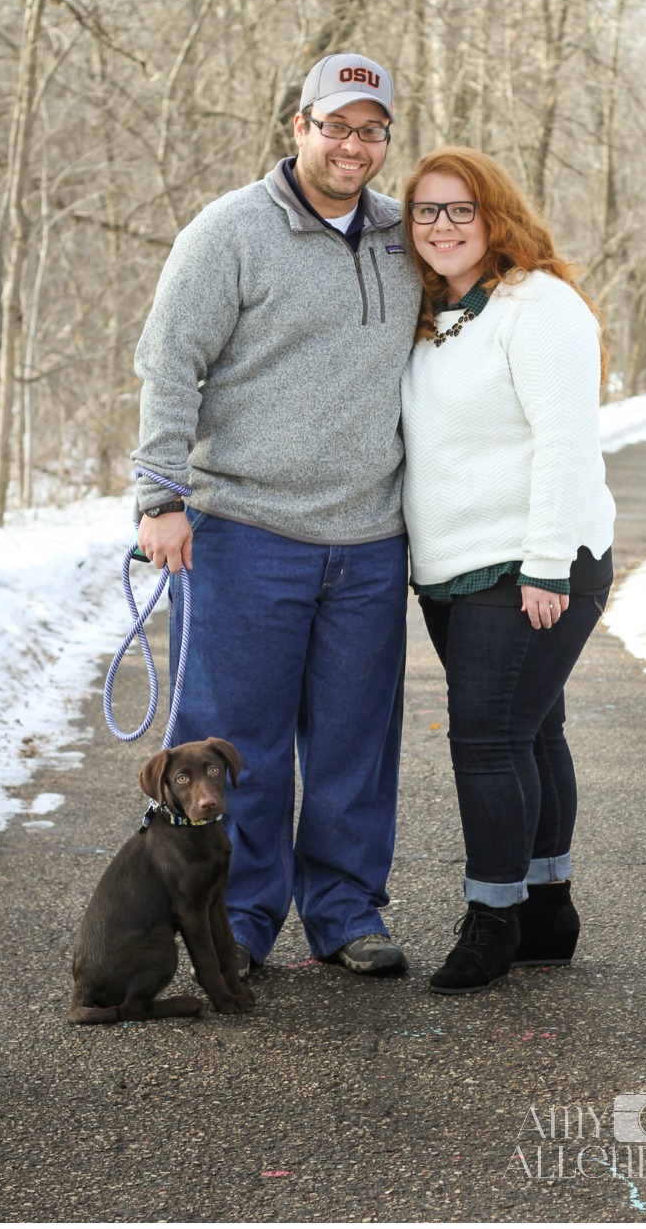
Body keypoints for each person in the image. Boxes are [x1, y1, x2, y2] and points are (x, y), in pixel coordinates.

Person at [133, 53, 420, 978]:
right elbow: (170, 366)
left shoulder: (401, 235)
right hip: (244, 532)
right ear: (298, 127)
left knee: (354, 747)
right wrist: (159, 498)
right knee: (234, 748)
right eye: (335, 124)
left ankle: (346, 913)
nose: (352, 143)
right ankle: (240, 923)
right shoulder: (229, 233)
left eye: (370, 129)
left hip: (369, 539)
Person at [399, 146, 615, 994]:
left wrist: (546, 567)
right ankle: (547, 914)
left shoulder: (540, 305)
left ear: (496, 216)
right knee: (532, 734)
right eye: (426, 212)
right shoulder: (438, 312)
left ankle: (492, 922)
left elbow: (565, 442)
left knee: (487, 743)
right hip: (454, 570)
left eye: (461, 210)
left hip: (529, 564)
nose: (442, 227)